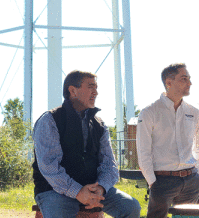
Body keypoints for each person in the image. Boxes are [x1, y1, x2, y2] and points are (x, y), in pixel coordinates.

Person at [32, 70, 141, 218]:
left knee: (131, 207)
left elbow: (110, 165)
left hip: (93, 189)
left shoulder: (99, 124)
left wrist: (101, 188)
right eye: (91, 87)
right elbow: (49, 166)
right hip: (54, 190)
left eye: (96, 87)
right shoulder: (50, 120)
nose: (95, 92)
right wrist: (77, 191)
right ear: (72, 90)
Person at [136, 63, 199, 218]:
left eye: (189, 78)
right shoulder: (149, 112)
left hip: (191, 180)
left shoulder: (194, 112)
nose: (189, 83)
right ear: (168, 83)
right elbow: (143, 151)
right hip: (162, 181)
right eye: (184, 79)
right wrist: (153, 182)